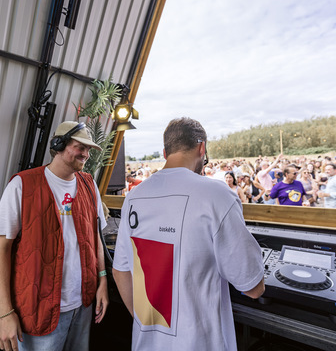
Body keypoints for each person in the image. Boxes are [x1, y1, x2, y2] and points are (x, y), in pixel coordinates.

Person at [112, 117, 264, 351]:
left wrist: (144, 321)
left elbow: (120, 270)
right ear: (201, 148)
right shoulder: (216, 195)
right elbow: (253, 287)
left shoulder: (134, 197)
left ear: (165, 152)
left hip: (146, 343)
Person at [0, 121, 109, 351]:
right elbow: (0, 249)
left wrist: (102, 279)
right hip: (39, 309)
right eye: (80, 147)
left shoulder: (88, 184)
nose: (85, 154)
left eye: (88, 149)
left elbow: (95, 236)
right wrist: (3, 313)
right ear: (59, 144)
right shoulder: (22, 185)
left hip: (82, 306)